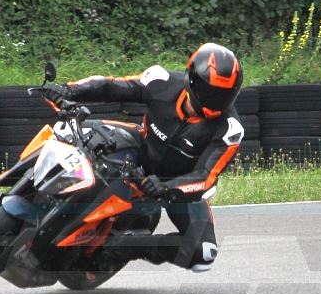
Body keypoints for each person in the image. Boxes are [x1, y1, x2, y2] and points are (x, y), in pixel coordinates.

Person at [51, 42, 245, 273]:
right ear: (193, 79)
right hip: (138, 148)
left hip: (177, 186)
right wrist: (68, 90)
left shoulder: (230, 129)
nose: (216, 101)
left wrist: (167, 188)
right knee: (67, 129)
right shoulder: (162, 81)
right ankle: (43, 188)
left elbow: (206, 178)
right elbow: (113, 85)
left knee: (203, 253)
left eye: (224, 95)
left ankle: (130, 246)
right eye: (211, 92)